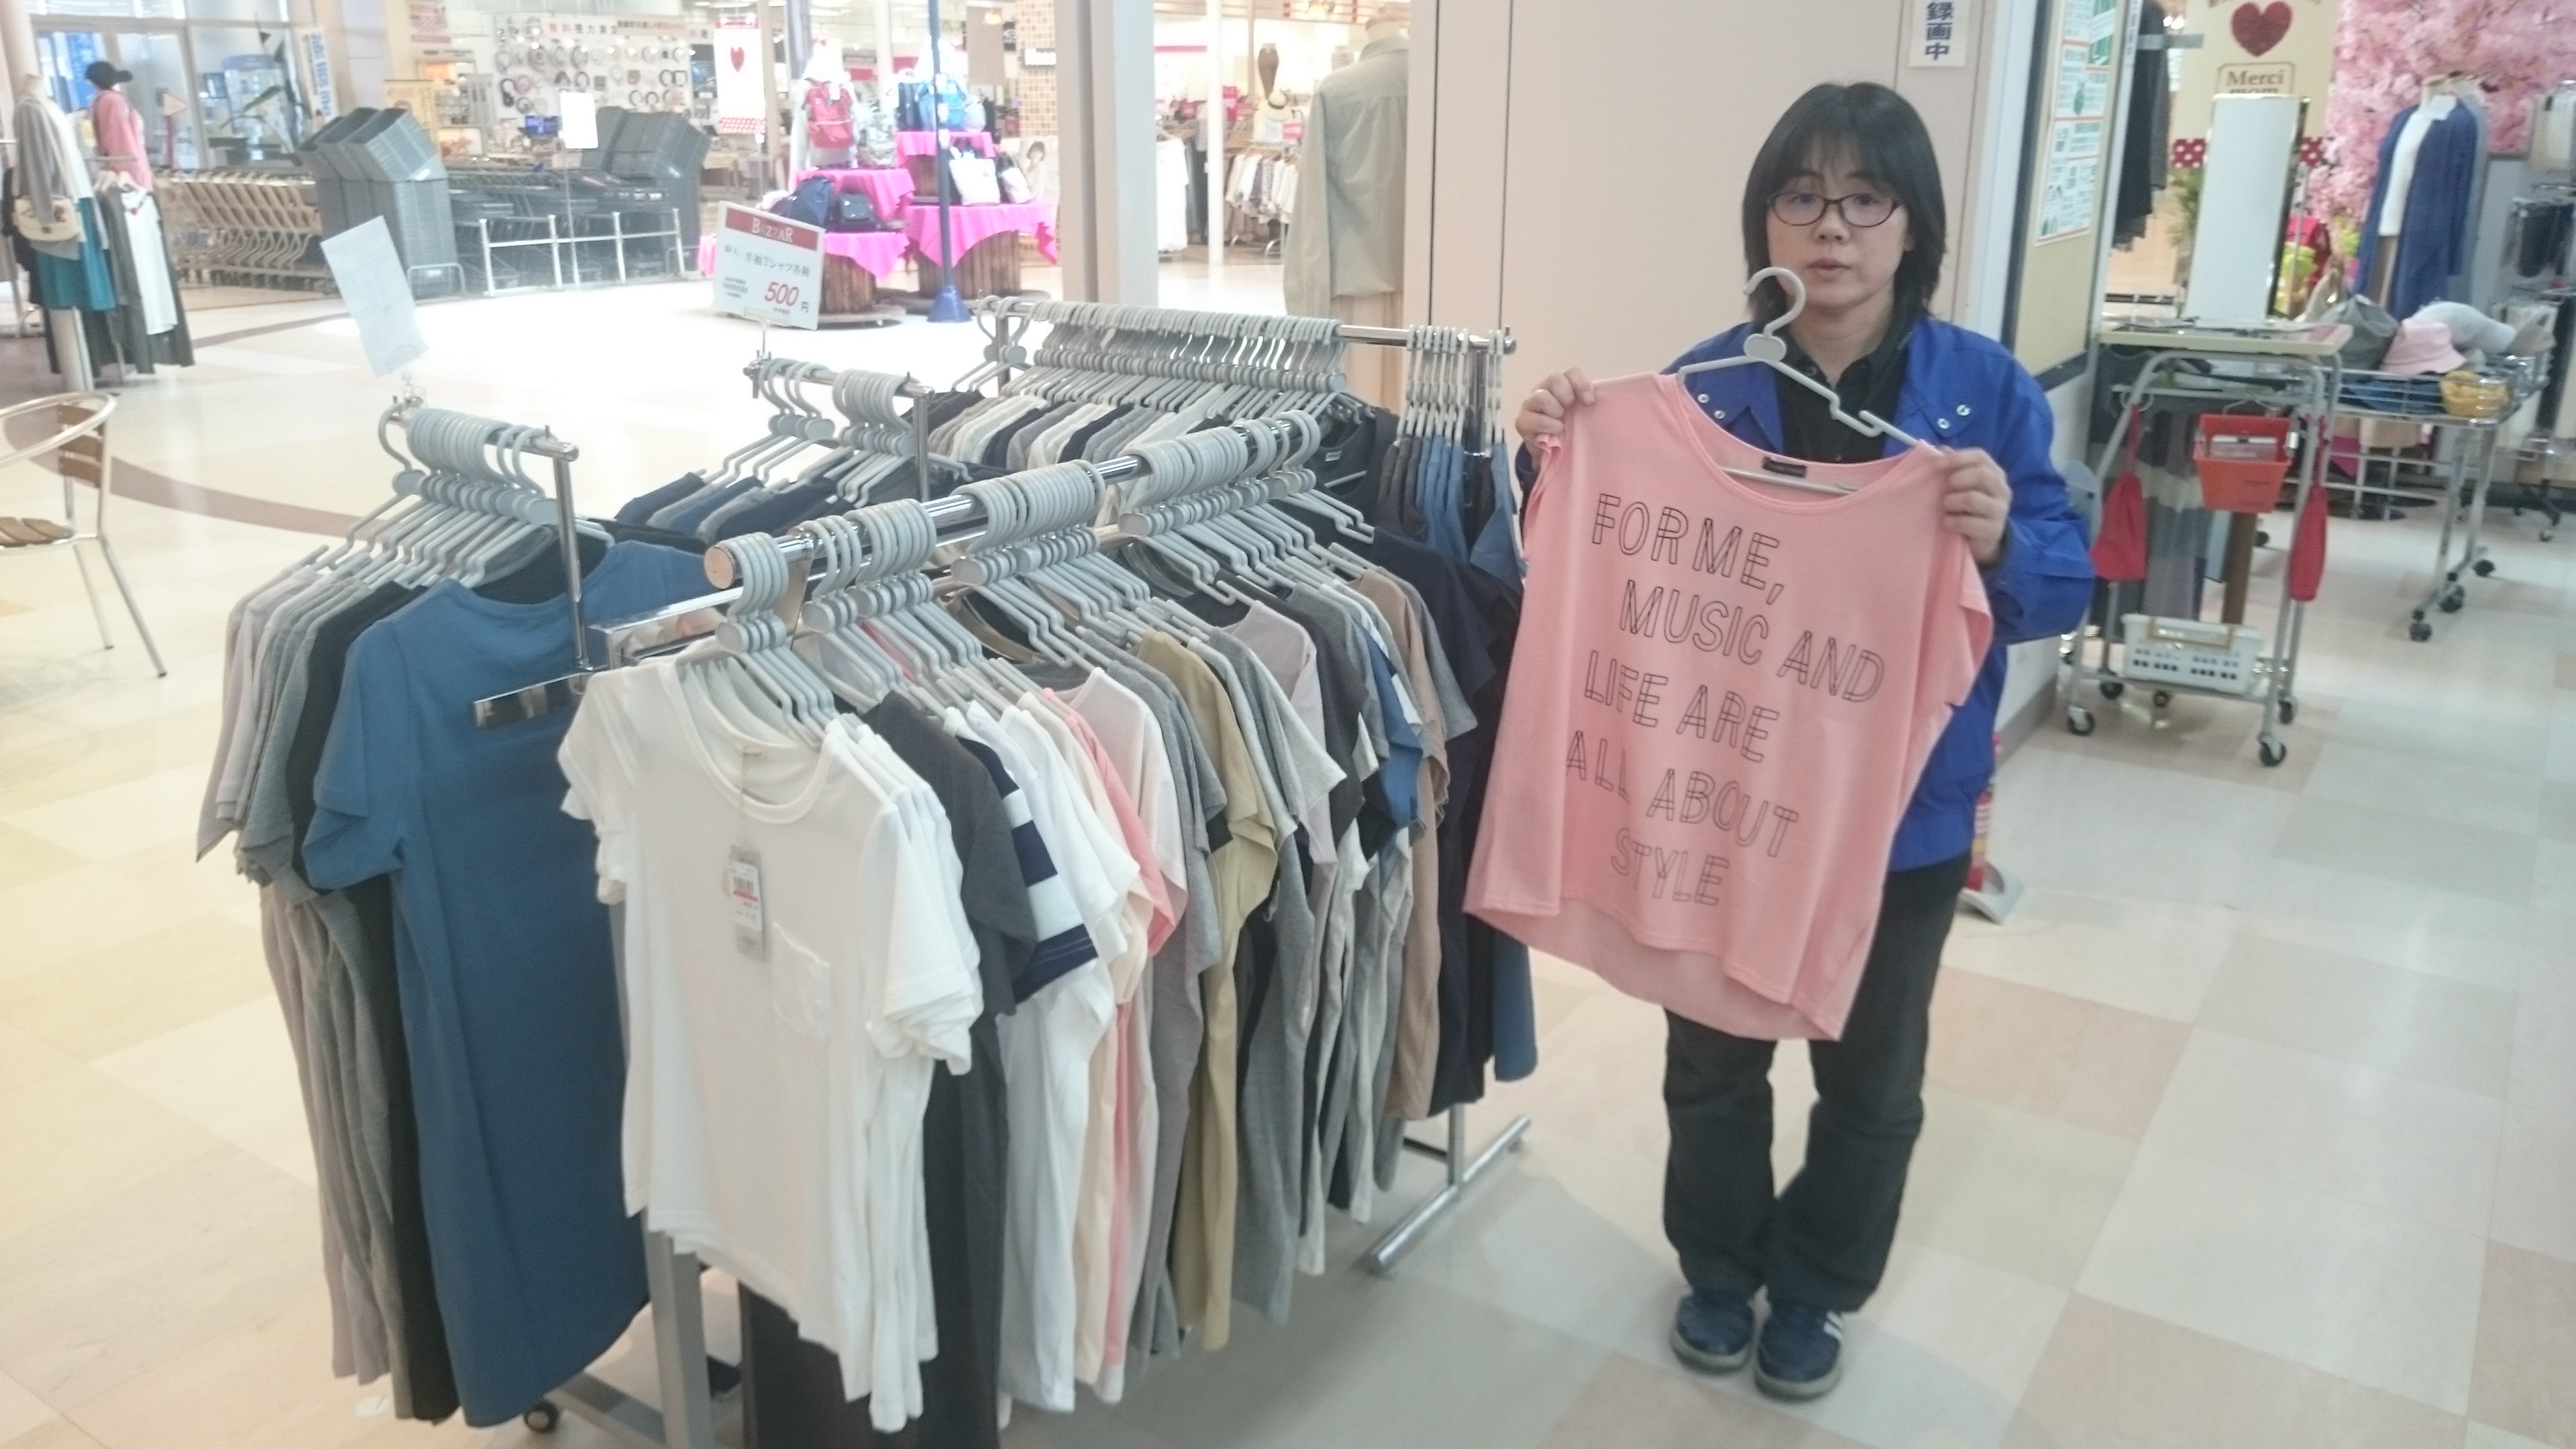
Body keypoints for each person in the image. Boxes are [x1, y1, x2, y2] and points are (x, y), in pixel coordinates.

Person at [1512, 81, 2092, 1402]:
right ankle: (1720, 1268)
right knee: (1713, 1049)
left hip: (1904, 811)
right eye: (1803, 195)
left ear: (1913, 225)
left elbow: (2063, 587)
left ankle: (1819, 1285)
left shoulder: (1984, 395)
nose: (1832, 226)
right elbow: (1606, 548)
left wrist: (2006, 538)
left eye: (1865, 198)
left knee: (1873, 1076)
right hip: (1727, 796)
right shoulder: (1705, 387)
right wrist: (1557, 449)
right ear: (1765, 220)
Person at [84, 61, 152, 191]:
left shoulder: (101, 100)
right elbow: (119, 138)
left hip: (120, 161)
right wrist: (129, 169)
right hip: (127, 164)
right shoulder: (112, 101)